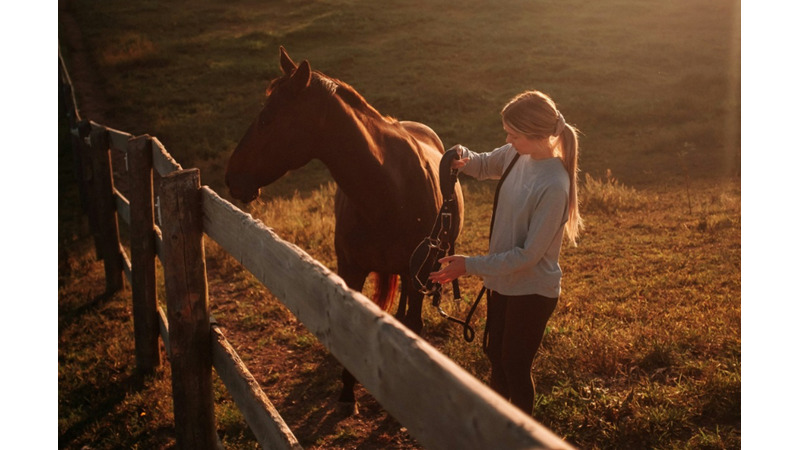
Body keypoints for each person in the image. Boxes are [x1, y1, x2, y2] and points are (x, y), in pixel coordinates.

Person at [429, 90, 582, 416]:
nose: (507, 140)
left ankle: (521, 435)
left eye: (513, 134)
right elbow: (484, 163)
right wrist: (460, 155)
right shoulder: (516, 154)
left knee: (514, 364)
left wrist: (469, 265)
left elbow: (528, 256)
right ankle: (497, 428)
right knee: (495, 356)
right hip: (503, 283)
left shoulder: (555, 185)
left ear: (536, 135)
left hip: (532, 290)